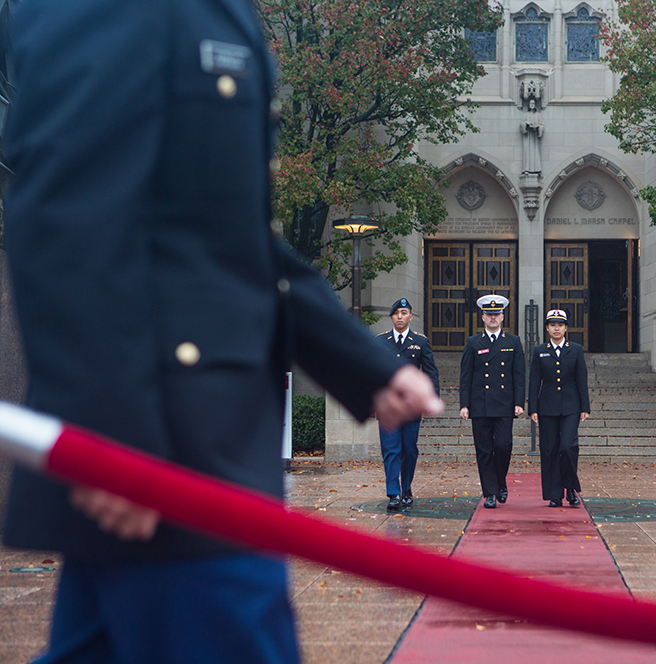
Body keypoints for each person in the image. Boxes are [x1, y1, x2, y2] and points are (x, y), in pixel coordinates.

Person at [0, 1, 443, 663]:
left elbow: (221, 235)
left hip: (202, 440)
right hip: (169, 450)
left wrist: (360, 362)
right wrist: (110, 441)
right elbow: (66, 218)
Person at [459, 295, 526, 508]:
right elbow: (466, 376)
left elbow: (519, 375)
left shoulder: (513, 342)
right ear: (483, 317)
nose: (493, 318)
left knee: (503, 446)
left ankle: (500, 482)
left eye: (496, 314)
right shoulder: (473, 343)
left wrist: (519, 402)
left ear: (503, 316)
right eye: (489, 314)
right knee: (484, 450)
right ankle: (490, 492)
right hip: (480, 404)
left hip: (505, 404)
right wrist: (464, 404)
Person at [376, 298, 439, 511]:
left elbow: (430, 372)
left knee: (409, 450)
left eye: (404, 313)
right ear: (391, 317)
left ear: (410, 316)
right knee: (391, 449)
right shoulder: (381, 341)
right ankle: (393, 493)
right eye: (396, 313)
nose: (400, 316)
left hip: (411, 408)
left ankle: (407, 487)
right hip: (389, 408)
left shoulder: (420, 342)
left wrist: (431, 398)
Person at [528, 310, 590, 508]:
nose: (556, 328)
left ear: (566, 328)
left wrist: (585, 406)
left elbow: (581, 379)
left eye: (560, 325)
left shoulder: (576, 349)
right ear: (547, 328)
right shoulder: (539, 351)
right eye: (552, 325)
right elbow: (535, 380)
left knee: (568, 447)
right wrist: (533, 408)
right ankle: (555, 494)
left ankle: (570, 488)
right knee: (550, 450)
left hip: (571, 406)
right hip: (547, 407)